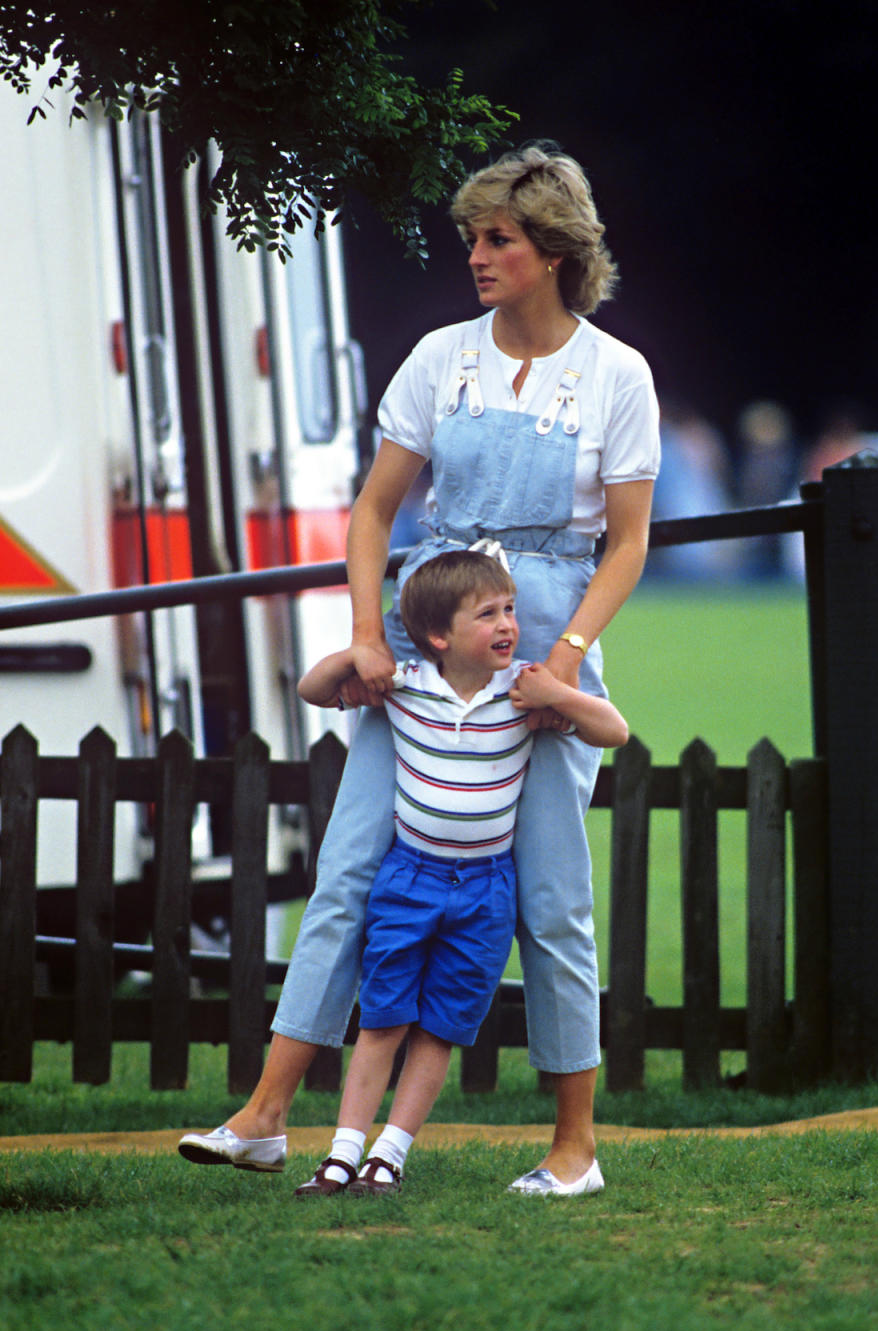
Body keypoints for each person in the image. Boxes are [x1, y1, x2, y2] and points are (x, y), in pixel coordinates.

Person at [177, 142, 660, 1195]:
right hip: (422, 643)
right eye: (471, 238)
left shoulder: (618, 375)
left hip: (543, 657)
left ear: (555, 251)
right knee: (347, 873)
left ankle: (575, 1149)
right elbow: (373, 510)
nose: (476, 256)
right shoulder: (441, 357)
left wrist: (565, 657)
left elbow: (626, 543)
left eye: (497, 240)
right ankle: (264, 1116)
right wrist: (366, 635)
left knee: (552, 896)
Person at [257, 549, 626, 1196]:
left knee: (441, 1026)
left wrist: (557, 692)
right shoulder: (404, 689)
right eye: (489, 614)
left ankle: (388, 1157)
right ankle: (342, 1153)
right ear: (439, 637)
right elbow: (314, 690)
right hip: (409, 881)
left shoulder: (521, 695)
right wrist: (356, 656)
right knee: (383, 1018)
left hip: (485, 891)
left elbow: (614, 731)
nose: (510, 623)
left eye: (510, 609)